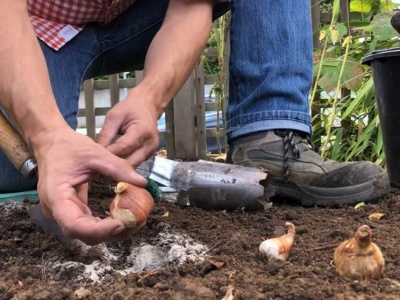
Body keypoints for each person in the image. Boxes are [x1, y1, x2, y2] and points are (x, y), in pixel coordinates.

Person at [0, 0, 389, 245]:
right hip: (35, 27)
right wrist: (47, 135)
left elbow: (190, 6)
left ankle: (269, 134)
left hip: (140, 16)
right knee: (18, 183)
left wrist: (151, 95)